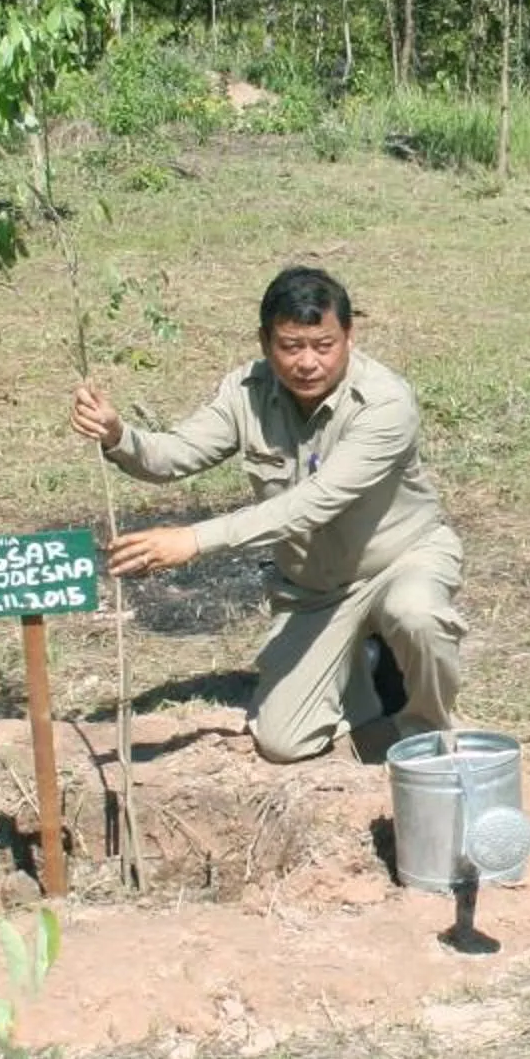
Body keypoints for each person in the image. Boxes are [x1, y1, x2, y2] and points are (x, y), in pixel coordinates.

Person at [70, 266, 464, 763]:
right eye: (290, 346)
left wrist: (193, 540)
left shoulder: (385, 401)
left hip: (401, 561)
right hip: (316, 591)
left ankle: (426, 732)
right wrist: (117, 435)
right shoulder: (247, 393)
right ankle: (366, 665)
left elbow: (314, 502)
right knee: (282, 742)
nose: (306, 362)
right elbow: (176, 454)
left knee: (417, 614)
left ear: (349, 336)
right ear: (264, 342)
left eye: (323, 345)